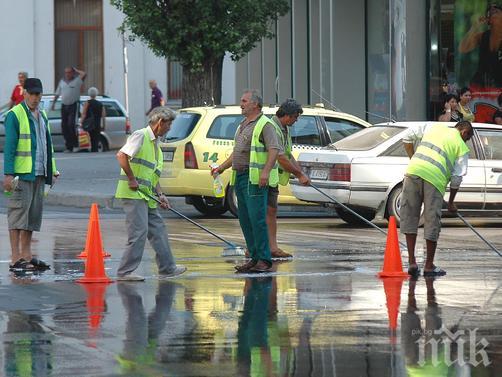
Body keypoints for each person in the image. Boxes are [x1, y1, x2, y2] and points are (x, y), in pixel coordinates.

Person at [211, 90, 280, 273]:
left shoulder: (265, 124)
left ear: (255, 105)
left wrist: (265, 172)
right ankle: (254, 257)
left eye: (244, 101)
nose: (240, 103)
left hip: (254, 178)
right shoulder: (243, 124)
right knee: (245, 220)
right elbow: (237, 152)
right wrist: (221, 168)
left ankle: (264, 260)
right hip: (240, 177)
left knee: (257, 220)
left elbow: (274, 149)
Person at [115, 106, 186, 281]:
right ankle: (125, 272)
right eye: (168, 125)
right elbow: (121, 156)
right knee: (139, 232)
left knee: (158, 230)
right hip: (133, 195)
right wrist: (131, 178)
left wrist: (161, 194)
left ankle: (167, 268)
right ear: (160, 122)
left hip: (147, 195)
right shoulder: (141, 135)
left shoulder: (156, 145)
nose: (169, 128)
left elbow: (152, 175)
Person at [401, 121, 473, 277]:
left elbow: (407, 137)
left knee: (410, 216)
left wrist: (413, 159)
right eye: (467, 138)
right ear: (464, 132)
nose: (466, 142)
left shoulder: (434, 128)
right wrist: (451, 203)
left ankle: (412, 262)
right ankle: (429, 266)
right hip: (434, 181)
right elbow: (456, 178)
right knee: (431, 220)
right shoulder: (461, 147)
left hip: (413, 172)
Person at [3, 78, 59, 272]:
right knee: (18, 215)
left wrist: (52, 170)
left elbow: (47, 146)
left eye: (38, 94)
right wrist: (8, 175)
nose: (35, 98)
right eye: (32, 94)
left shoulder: (42, 115)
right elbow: (9, 148)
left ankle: (26, 256)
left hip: (39, 174)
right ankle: (15, 258)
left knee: (32, 217)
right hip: (21, 174)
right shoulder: (15, 115)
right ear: (24, 93)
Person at [267, 99, 310, 258]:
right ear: (288, 116)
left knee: (271, 211)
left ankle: (272, 248)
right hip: (263, 177)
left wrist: (301, 173)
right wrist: (299, 175)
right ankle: (262, 248)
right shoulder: (272, 128)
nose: (296, 120)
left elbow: (287, 154)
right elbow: (280, 157)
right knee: (264, 213)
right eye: (296, 117)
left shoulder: (284, 128)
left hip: (271, 178)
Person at [459, 3, 502, 88]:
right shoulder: (483, 36)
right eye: (490, 12)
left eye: (496, 11)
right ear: (488, 20)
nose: (493, 12)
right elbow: (463, 48)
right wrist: (475, 27)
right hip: (482, 87)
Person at [52, 66, 87, 153]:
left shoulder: (77, 81)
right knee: (64, 126)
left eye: (69, 72)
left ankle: (75, 145)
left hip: (73, 105)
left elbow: (84, 74)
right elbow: (57, 93)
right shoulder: (62, 82)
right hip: (64, 105)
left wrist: (76, 70)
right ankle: (69, 147)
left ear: (72, 73)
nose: (67, 74)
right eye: (66, 72)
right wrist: (53, 104)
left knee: (71, 125)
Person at [80, 87, 106, 152]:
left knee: (90, 138)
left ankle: (92, 150)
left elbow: (84, 114)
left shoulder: (87, 103)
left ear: (89, 94)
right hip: (97, 124)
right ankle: (95, 150)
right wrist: (104, 125)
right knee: (96, 139)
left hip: (89, 124)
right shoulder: (100, 104)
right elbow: (103, 116)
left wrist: (81, 122)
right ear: (96, 94)